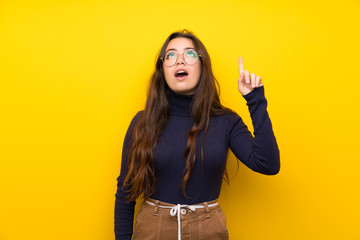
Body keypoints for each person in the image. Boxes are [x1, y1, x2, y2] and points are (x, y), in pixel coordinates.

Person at [114, 29, 280, 240]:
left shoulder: (226, 122)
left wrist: (255, 100)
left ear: (202, 66)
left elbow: (268, 164)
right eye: (170, 55)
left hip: (208, 230)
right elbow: (125, 193)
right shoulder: (142, 122)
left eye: (190, 54)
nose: (179, 61)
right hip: (152, 229)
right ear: (162, 69)